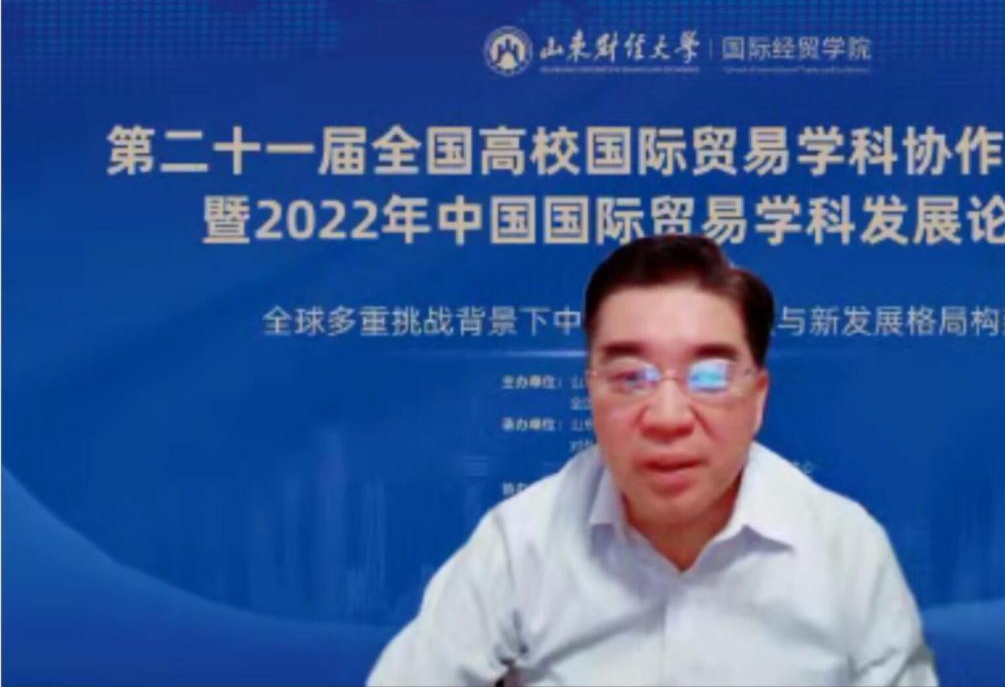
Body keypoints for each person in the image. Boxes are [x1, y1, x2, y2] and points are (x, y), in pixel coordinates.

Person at [368, 235, 937, 686]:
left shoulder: (847, 553)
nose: (667, 418)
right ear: (591, 392)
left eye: (710, 377)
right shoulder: (519, 546)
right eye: (630, 377)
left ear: (758, 398)